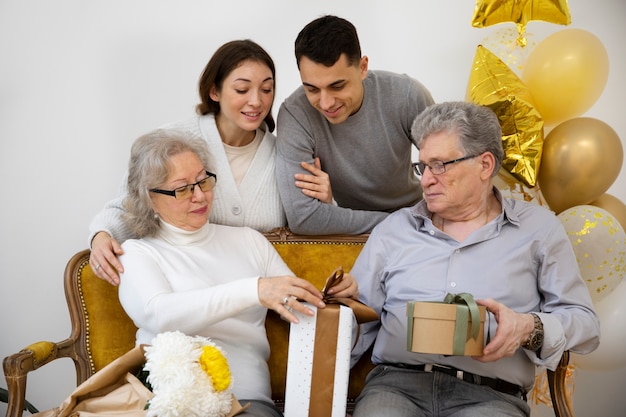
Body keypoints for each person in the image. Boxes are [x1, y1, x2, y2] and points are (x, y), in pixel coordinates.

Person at [349, 101, 600, 417]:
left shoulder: (539, 229)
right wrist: (338, 307)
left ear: (484, 165)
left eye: (439, 165)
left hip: (490, 397)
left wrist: (529, 328)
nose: (425, 179)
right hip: (396, 389)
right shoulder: (395, 229)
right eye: (422, 166)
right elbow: (354, 323)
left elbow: (586, 323)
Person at [116, 128, 357, 417]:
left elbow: (308, 316)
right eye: (182, 189)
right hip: (168, 404)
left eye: (203, 181)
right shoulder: (137, 253)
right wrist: (253, 290)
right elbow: (158, 314)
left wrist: (339, 305)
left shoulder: (249, 241)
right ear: (149, 198)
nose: (200, 196)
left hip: (246, 402)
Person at [88, 40, 332, 285]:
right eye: (242, 90)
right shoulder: (172, 141)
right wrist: (102, 235)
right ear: (214, 91)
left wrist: (325, 202)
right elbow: (129, 209)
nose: (257, 101)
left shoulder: (287, 154)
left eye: (266, 90)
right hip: (184, 291)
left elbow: (307, 237)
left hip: (259, 304)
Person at [275, 15, 435, 235]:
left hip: (414, 225)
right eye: (312, 89)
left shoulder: (406, 95)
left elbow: (448, 168)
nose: (325, 103)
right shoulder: (295, 114)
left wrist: (417, 222)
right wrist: (399, 224)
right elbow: (305, 218)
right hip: (357, 233)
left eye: (337, 86)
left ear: (362, 67)